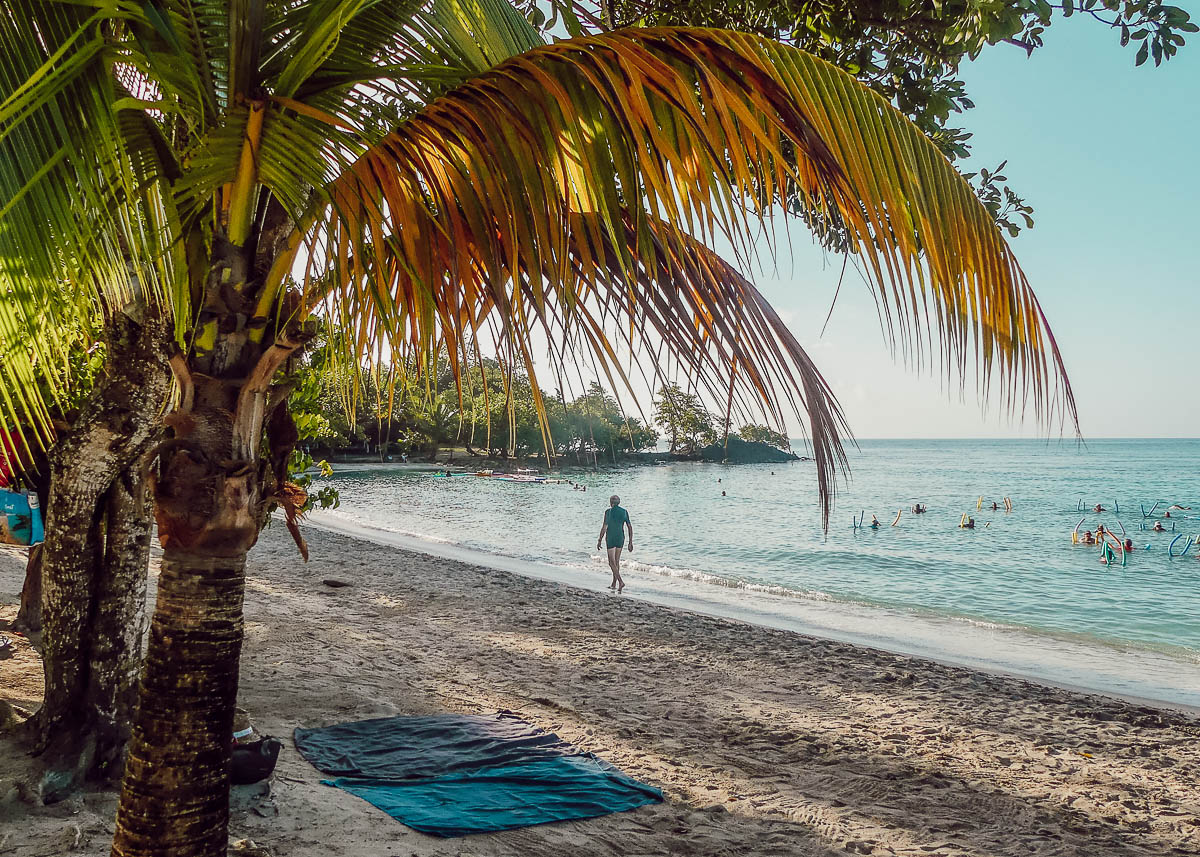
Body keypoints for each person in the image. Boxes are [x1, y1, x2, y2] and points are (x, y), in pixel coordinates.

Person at [597, 495, 633, 592]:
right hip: (620, 537)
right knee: (616, 562)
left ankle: (620, 582)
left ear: (611, 502)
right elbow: (629, 527)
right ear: (619, 502)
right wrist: (630, 542)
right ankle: (614, 583)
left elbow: (604, 527)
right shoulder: (624, 512)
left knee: (611, 562)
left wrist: (599, 539)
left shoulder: (608, 512)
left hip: (611, 538)